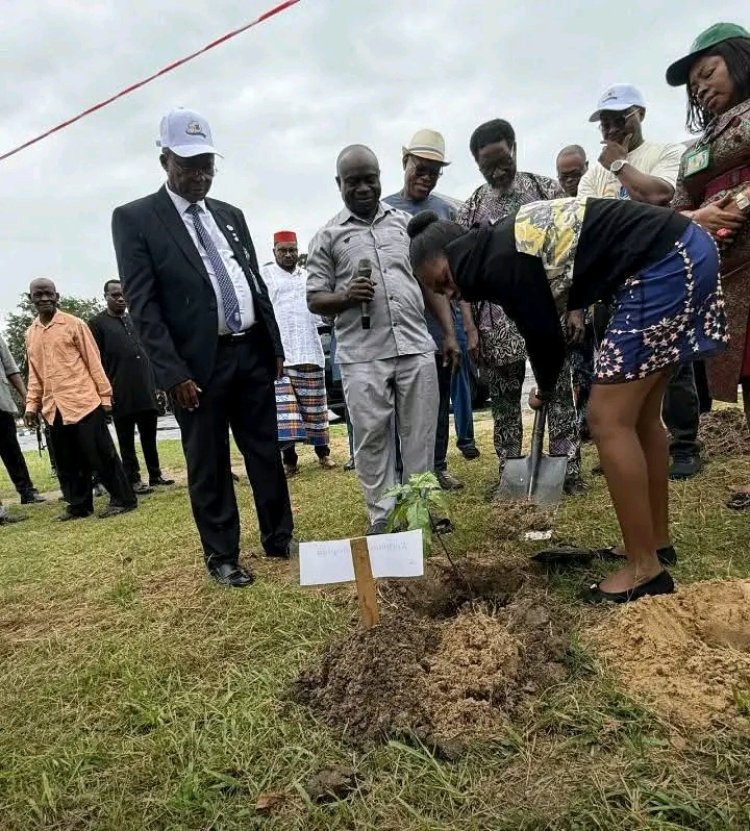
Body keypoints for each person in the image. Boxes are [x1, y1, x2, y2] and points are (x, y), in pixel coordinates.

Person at [406, 197, 727, 603]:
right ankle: (655, 543)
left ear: (450, 251)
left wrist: (543, 387)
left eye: (442, 280)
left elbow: (543, 337)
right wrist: (546, 381)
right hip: (683, 252)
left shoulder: (495, 260)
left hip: (660, 267)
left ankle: (644, 569)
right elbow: (544, 323)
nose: (450, 293)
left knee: (607, 419)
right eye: (438, 291)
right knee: (641, 417)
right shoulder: (499, 243)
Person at [111, 108, 293, 587]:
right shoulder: (135, 219)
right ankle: (222, 555)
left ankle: (279, 536)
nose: (200, 175)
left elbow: (251, 281)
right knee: (208, 461)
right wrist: (172, 373)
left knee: (265, 449)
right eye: (189, 165)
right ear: (165, 161)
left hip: (251, 352)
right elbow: (144, 306)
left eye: (207, 165)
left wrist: (273, 345)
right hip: (196, 366)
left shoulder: (230, 215)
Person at [307, 144, 439, 535]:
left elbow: (429, 282)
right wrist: (346, 296)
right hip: (362, 355)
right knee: (371, 438)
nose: (363, 188)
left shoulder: (405, 225)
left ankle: (419, 510)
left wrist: (448, 333)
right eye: (353, 182)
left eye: (370, 179)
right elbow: (315, 298)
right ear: (339, 184)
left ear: (381, 178)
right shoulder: (327, 236)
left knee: (420, 435)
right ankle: (382, 517)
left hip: (414, 345)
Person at [578, 83, 701, 480]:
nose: (610, 128)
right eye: (604, 122)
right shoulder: (592, 174)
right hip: (613, 284)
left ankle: (684, 446)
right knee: (618, 369)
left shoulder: (665, 153)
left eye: (619, 118)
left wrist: (619, 164)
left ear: (640, 115)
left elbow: (658, 196)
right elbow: (587, 224)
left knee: (673, 366)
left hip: (659, 275)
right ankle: (623, 444)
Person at [458, 118, 582, 493]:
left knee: (558, 388)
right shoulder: (472, 209)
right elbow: (462, 277)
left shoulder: (547, 191)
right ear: (477, 163)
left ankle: (567, 469)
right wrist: (470, 328)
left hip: (549, 311)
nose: (497, 171)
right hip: (496, 322)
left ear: (514, 148)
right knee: (504, 401)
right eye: (487, 165)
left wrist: (576, 307)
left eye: (502, 161)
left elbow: (574, 252)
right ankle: (509, 473)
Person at [666, 22, 750, 508]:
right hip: (727, 278)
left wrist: (740, 201)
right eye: (694, 85)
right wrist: (701, 216)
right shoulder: (698, 145)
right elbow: (677, 208)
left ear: (739, 60)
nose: (700, 88)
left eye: (708, 73)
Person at [384, 128, 478, 488]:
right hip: (401, 324)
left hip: (441, 326)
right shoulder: (386, 210)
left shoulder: (446, 211)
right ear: (404, 162)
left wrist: (465, 328)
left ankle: (437, 466)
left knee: (436, 398)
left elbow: (462, 277)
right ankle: (400, 472)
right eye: (420, 169)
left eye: (434, 173)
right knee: (399, 404)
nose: (426, 177)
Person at [24, 278, 137, 520]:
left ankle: (123, 499)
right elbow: (35, 373)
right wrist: (32, 405)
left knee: (101, 454)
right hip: (53, 407)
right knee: (67, 461)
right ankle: (79, 505)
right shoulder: (31, 334)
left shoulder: (74, 324)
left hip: (84, 402)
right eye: (38, 294)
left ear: (57, 296)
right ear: (30, 298)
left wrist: (105, 397)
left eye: (49, 294)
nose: (44, 298)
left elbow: (94, 362)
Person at [261, 230, 336, 476]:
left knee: (316, 409)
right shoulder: (266, 276)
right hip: (282, 356)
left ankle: (323, 453)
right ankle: (290, 461)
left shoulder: (308, 277)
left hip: (310, 351)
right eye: (283, 250)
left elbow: (320, 315)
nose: (288, 254)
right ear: (274, 251)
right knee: (286, 413)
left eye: (292, 250)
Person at [89, 280, 175, 494]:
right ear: (105, 296)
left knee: (149, 435)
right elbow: (95, 360)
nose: (120, 298)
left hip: (145, 387)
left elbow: (150, 353)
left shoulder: (135, 319)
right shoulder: (97, 324)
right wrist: (104, 392)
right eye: (115, 295)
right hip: (119, 390)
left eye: (123, 294)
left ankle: (155, 475)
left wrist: (158, 385)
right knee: (126, 439)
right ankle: (133, 478)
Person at [0, 334, 44, 504]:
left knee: (12, 451)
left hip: (1, 405)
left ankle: (27, 491)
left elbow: (11, 368)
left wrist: (28, 399)